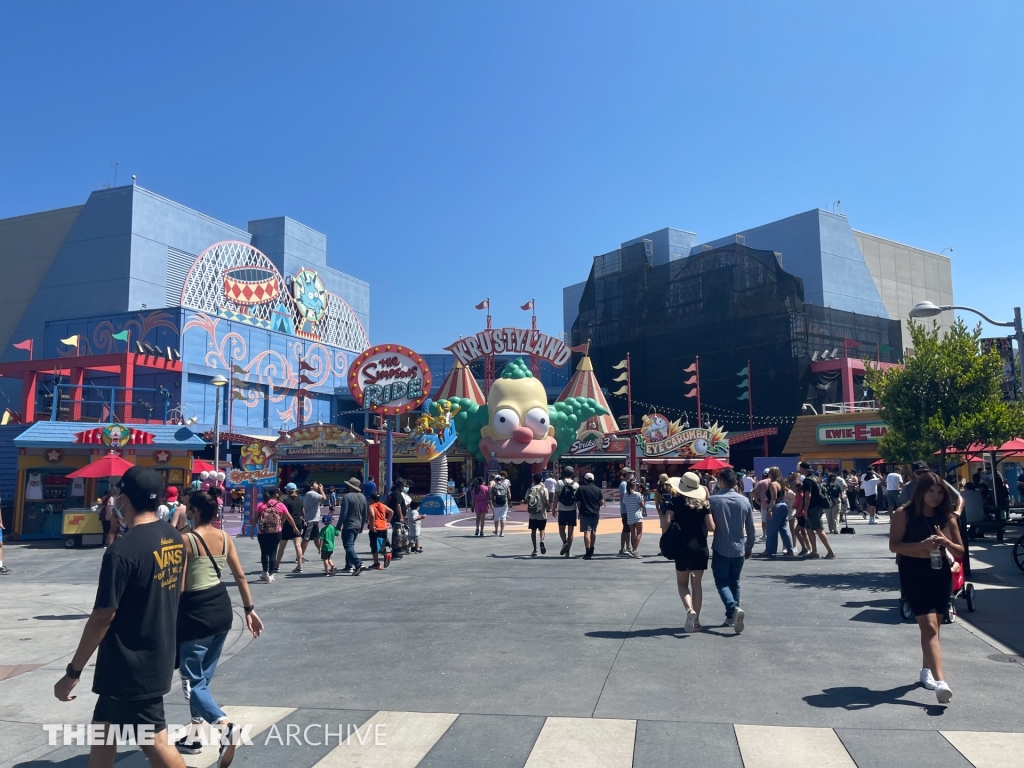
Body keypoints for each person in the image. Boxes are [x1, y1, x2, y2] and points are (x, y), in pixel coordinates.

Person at [53, 466, 187, 768]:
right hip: (154, 652)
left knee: (154, 742)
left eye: (117, 495)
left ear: (124, 499)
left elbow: (103, 616)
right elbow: (176, 590)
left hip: (133, 664)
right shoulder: (173, 537)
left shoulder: (121, 551)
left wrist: (73, 672)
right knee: (104, 730)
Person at [175, 489, 263, 763]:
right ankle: (194, 739)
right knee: (202, 681)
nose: (187, 510)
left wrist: (165, 617)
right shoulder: (225, 537)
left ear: (196, 511)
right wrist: (250, 610)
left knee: (192, 681)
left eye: (189, 508)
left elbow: (178, 587)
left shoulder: (187, 540)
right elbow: (239, 575)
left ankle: (225, 726)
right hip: (222, 611)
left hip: (195, 614)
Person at [889, 471, 964, 704]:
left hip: (940, 573)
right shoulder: (904, 514)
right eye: (931, 491)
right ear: (921, 492)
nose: (936, 496)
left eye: (940, 492)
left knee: (934, 628)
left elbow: (961, 552)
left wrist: (947, 543)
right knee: (930, 626)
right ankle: (941, 683)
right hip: (914, 573)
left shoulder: (947, 518)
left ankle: (926, 671)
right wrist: (921, 545)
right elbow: (894, 546)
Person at [708, 468, 756, 633]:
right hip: (739, 547)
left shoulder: (713, 500)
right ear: (736, 482)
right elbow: (750, 527)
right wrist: (749, 545)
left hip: (721, 545)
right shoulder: (744, 501)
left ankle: (733, 608)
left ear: (720, 480)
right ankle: (731, 616)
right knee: (734, 581)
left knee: (721, 581)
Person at [669, 472, 715, 632]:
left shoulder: (675, 502)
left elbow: (666, 522)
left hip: (682, 546)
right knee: (697, 585)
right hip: (700, 547)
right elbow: (711, 527)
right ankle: (697, 622)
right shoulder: (705, 504)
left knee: (682, 583)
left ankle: (690, 610)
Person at [251, 487, 297, 582]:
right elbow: (289, 517)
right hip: (276, 532)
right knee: (273, 552)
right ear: (276, 494)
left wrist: (252, 530)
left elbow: (255, 518)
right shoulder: (280, 505)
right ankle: (271, 574)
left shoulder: (261, 504)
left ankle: (264, 572)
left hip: (262, 532)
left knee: (264, 553)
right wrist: (294, 527)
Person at [799, 464, 836, 559]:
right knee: (809, 528)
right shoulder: (817, 478)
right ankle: (814, 551)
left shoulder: (807, 481)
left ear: (803, 469)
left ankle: (830, 551)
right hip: (819, 506)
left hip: (812, 507)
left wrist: (805, 509)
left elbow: (808, 495)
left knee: (819, 529)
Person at [763, 468, 795, 557]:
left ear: (772, 474)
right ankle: (790, 549)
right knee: (784, 529)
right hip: (783, 505)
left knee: (772, 530)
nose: (768, 474)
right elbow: (784, 495)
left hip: (775, 506)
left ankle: (770, 550)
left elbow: (774, 498)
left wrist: (770, 510)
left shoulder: (773, 484)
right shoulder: (782, 483)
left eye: (769, 473)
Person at [339, 476, 368, 575]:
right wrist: (362, 526)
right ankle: (349, 565)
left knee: (348, 545)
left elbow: (343, 514)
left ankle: (358, 563)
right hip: (358, 524)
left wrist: (338, 526)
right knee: (350, 545)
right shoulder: (363, 497)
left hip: (349, 524)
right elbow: (365, 514)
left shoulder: (347, 497)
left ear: (350, 487)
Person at [279, 483, 306, 573]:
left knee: (282, 546)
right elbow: (303, 512)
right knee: (298, 545)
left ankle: (276, 565)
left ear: (287, 491)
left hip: (287, 524)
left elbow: (284, 515)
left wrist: (280, 525)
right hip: (298, 524)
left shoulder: (286, 501)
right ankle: (299, 566)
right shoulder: (300, 500)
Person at [576, 473, 603, 560]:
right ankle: (592, 548)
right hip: (595, 513)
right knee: (593, 531)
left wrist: (580, 511)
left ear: (585, 479)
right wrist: (597, 506)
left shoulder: (581, 488)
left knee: (586, 532)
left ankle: (587, 551)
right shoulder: (598, 489)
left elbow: (578, 502)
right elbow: (602, 502)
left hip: (585, 512)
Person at [555, 466, 579, 557]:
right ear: (572, 474)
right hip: (572, 510)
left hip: (562, 509)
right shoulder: (576, 484)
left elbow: (556, 497)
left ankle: (565, 542)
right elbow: (577, 499)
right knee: (571, 532)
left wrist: (553, 508)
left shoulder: (559, 482)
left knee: (561, 529)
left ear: (563, 473)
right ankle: (568, 551)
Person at [525, 473, 549, 556]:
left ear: (534, 480)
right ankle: (542, 541)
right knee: (542, 529)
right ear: (541, 480)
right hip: (542, 513)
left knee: (533, 530)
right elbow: (547, 501)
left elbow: (526, 500)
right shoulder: (544, 489)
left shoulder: (530, 489)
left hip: (532, 513)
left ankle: (535, 549)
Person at [621, 478, 646, 558]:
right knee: (639, 533)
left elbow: (624, 503)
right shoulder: (638, 494)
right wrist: (642, 495)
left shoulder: (625, 495)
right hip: (637, 516)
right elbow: (642, 505)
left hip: (630, 516)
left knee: (633, 533)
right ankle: (635, 550)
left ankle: (632, 549)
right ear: (634, 485)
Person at [368, 492, 393, 570]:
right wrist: (388, 522)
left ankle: (376, 563)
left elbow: (372, 515)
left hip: (376, 528)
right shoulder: (383, 505)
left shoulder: (371, 506)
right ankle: (386, 555)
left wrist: (372, 526)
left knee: (374, 545)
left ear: (371, 499)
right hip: (383, 527)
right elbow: (391, 512)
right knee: (381, 543)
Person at [301, 482, 326, 556]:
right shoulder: (312, 493)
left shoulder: (311, 494)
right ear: (311, 487)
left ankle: (321, 551)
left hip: (313, 519)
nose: (317, 485)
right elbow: (324, 498)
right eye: (315, 484)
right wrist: (321, 490)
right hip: (311, 519)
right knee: (306, 538)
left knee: (316, 537)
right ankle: (300, 556)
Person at [388, 479, 408, 556]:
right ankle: (395, 550)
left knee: (400, 533)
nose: (404, 487)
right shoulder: (397, 494)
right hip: (397, 517)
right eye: (404, 486)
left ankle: (399, 548)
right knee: (397, 534)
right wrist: (401, 516)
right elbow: (398, 505)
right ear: (400, 486)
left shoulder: (396, 493)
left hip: (397, 516)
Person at [618, 468, 635, 557]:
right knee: (625, 529)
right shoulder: (624, 484)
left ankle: (627, 547)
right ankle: (622, 548)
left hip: (626, 510)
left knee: (627, 529)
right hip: (626, 510)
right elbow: (624, 498)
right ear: (626, 474)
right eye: (630, 473)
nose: (631, 475)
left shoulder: (625, 484)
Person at [752, 469, 771, 542]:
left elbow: (753, 492)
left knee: (764, 520)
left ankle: (764, 535)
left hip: (764, 504)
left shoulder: (761, 482)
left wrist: (757, 500)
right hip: (775, 504)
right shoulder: (775, 482)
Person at [490, 472, 511, 536]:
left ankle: (496, 531)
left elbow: (491, 496)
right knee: (503, 517)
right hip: (504, 503)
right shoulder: (505, 486)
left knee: (496, 518)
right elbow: (509, 496)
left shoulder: (494, 486)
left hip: (496, 504)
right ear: (501, 479)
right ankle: (502, 532)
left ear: (495, 480)